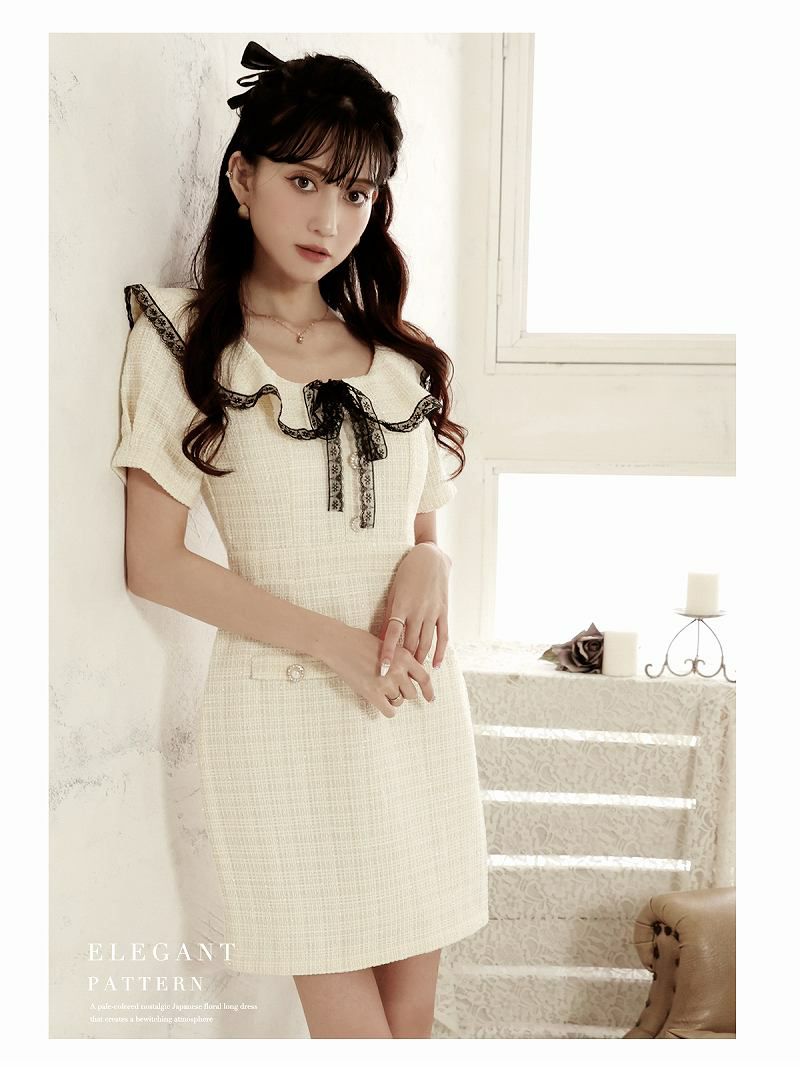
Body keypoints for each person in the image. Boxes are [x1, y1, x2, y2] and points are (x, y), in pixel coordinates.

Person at [110, 40, 488, 1039]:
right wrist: (336, 645)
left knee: (411, 1029)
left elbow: (419, 525)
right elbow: (153, 561)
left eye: (356, 193)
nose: (329, 219)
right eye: (304, 180)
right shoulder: (185, 340)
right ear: (242, 178)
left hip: (412, 709)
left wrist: (431, 557)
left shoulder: (401, 360)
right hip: (282, 715)